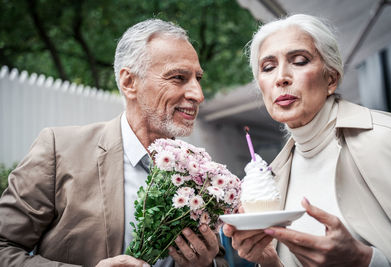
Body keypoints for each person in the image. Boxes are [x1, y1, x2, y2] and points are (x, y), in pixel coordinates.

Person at [0, 19, 227, 267]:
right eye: (178, 77)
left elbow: (219, 260)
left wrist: (206, 265)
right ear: (129, 82)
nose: (198, 94)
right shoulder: (59, 149)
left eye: (198, 78)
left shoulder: (199, 174)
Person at [223, 14, 391, 267]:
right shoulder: (274, 176)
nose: (281, 77)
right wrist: (270, 261)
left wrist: (363, 260)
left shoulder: (387, 138)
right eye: (268, 67)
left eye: (299, 61)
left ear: (331, 79)